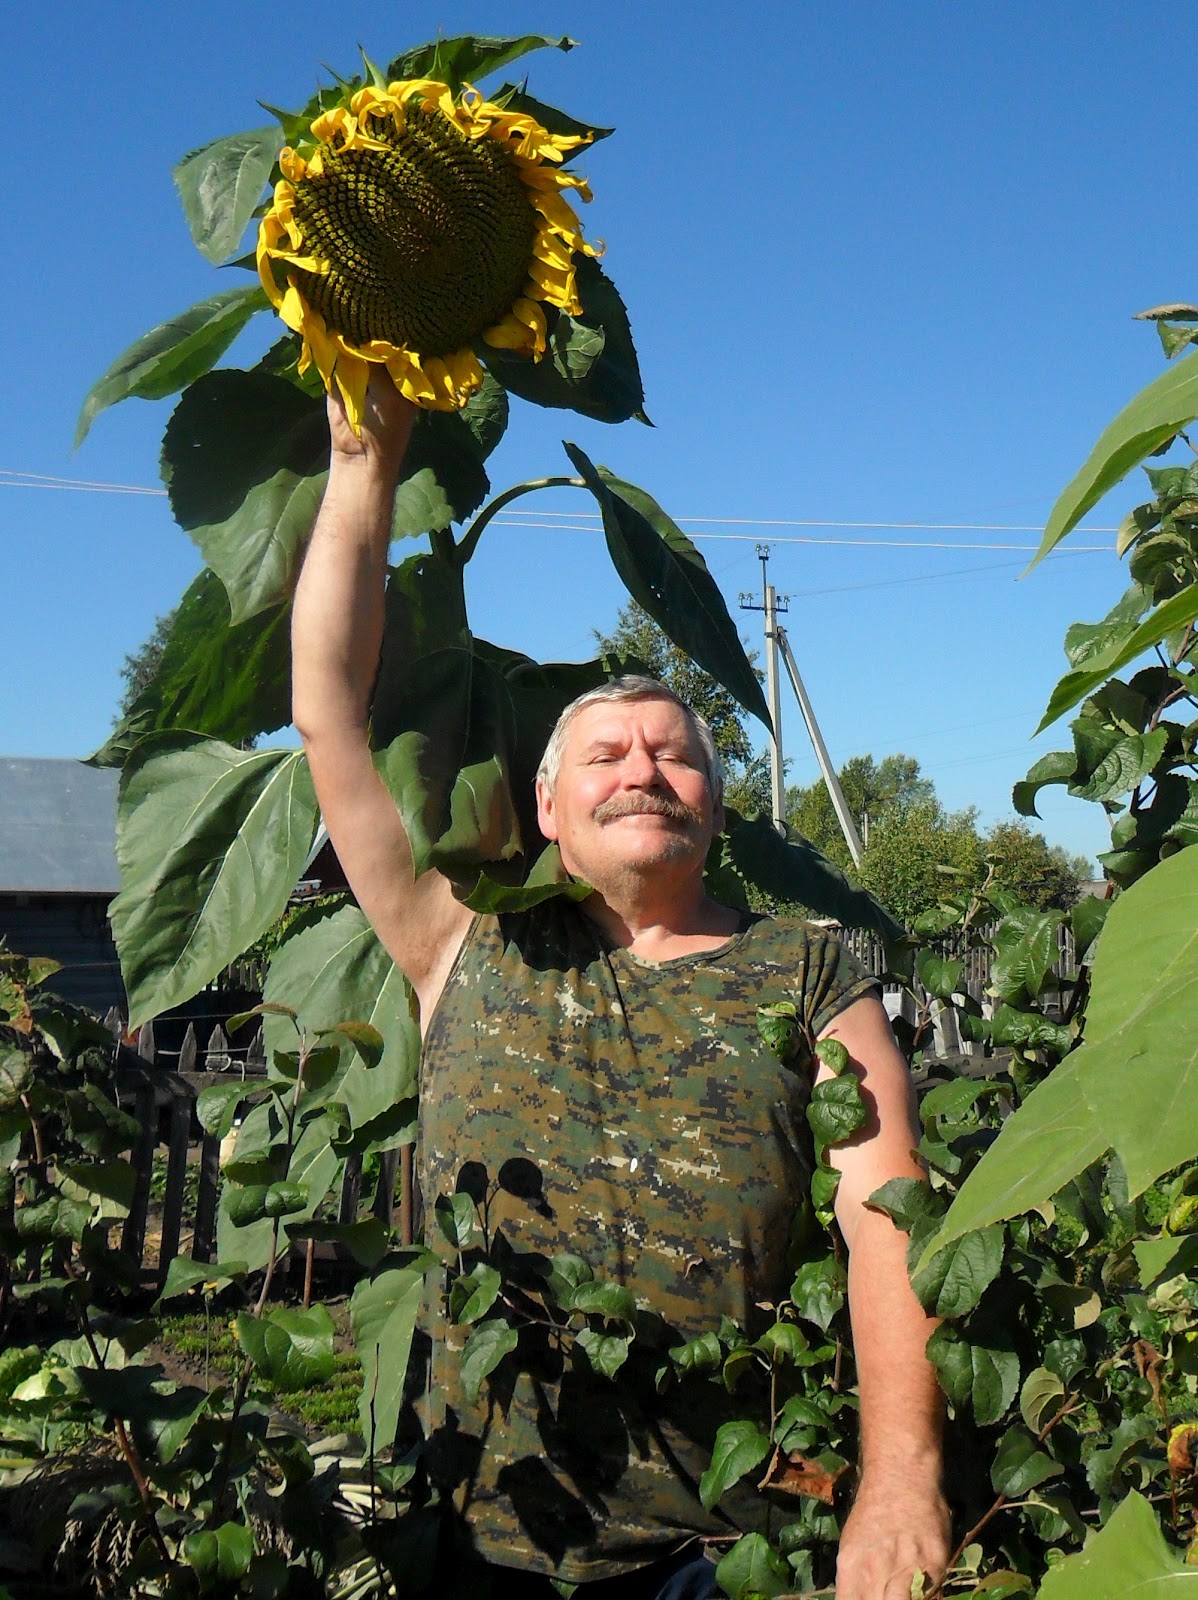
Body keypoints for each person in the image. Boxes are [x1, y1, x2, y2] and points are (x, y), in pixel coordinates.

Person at [291, 375, 951, 1600]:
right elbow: (330, 710)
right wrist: (362, 469)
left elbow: (884, 1223)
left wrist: (900, 1477)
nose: (645, 768)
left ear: (714, 802)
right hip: (480, 1535)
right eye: (605, 753)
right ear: (548, 806)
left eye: (678, 754)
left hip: (722, 1545)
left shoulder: (806, 968)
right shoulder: (460, 940)